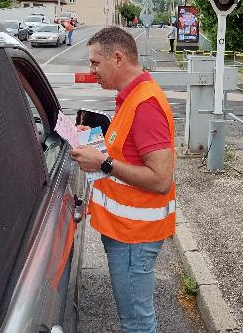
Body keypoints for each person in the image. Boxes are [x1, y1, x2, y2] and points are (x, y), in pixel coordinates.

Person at [70, 26, 175, 333]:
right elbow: (128, 152)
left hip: (134, 236)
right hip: (125, 231)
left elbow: (160, 179)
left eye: (95, 63)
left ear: (117, 58)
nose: (91, 71)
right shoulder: (130, 96)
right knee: (135, 318)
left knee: (137, 322)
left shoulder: (145, 105)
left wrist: (101, 162)